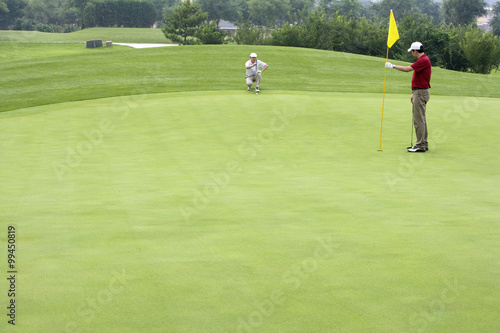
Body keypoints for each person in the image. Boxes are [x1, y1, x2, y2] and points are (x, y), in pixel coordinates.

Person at [385, 42, 432, 153]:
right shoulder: (424, 59)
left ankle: (420, 145)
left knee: (418, 120)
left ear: (415, 51)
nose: (412, 53)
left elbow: (407, 69)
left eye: (412, 51)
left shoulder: (423, 60)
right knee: (421, 119)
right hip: (419, 92)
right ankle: (423, 143)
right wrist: (414, 93)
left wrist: (392, 66)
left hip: (420, 93)